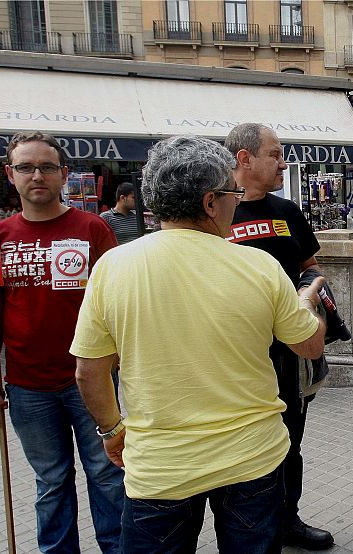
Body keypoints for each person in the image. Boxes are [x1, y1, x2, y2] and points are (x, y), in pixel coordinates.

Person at [71, 135, 327, 552]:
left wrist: (113, 429)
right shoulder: (258, 266)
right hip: (251, 460)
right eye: (232, 193)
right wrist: (306, 300)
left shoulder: (113, 267)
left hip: (161, 467)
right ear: (211, 202)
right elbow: (311, 346)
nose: (237, 201)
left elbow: (89, 370)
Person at [0, 131, 123, 553]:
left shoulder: (92, 228)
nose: (36, 175)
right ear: (10, 174)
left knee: (107, 474)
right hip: (26, 386)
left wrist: (118, 364)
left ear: (63, 174)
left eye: (46, 167)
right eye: (25, 167)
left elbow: (117, 301)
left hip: (90, 382)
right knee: (51, 482)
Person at [225, 123, 334, 551]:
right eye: (274, 154)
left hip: (289, 350)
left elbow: (313, 266)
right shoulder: (216, 213)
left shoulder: (287, 211)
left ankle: (288, 519)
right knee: (244, 441)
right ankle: (249, 525)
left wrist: (309, 291)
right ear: (244, 159)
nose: (282, 162)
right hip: (236, 352)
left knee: (291, 437)